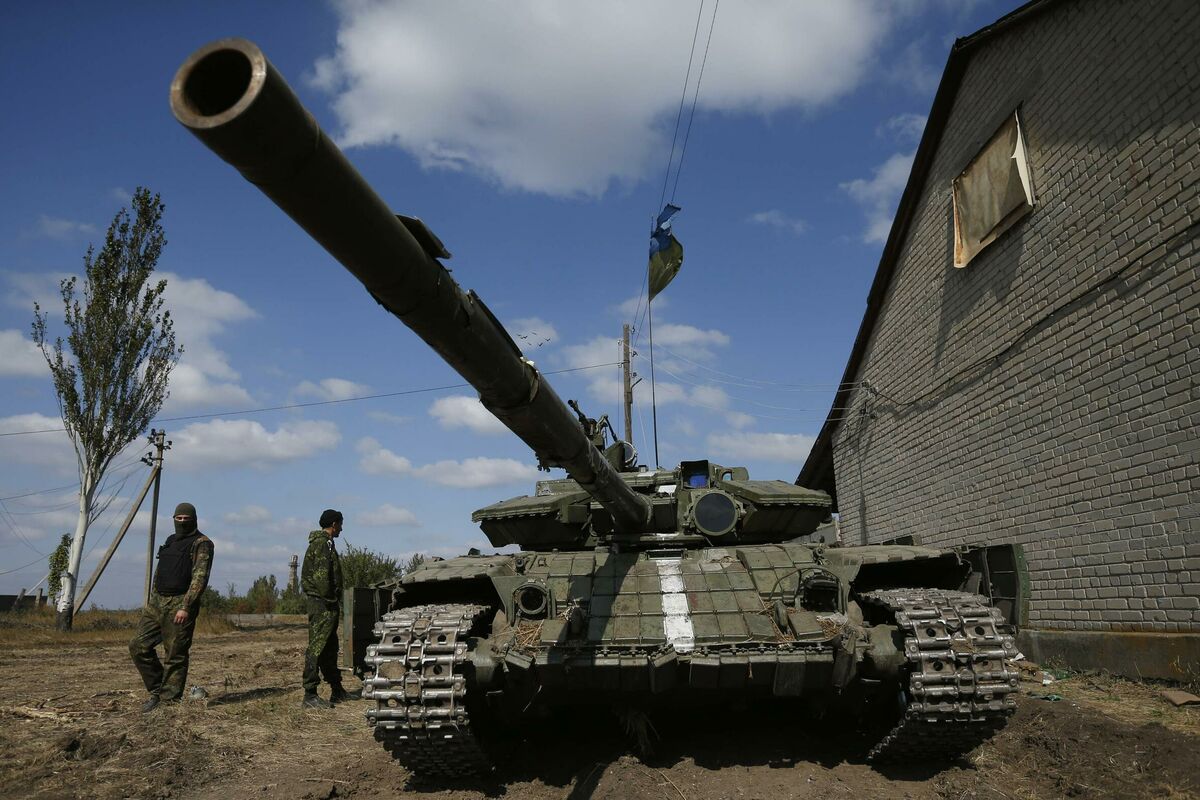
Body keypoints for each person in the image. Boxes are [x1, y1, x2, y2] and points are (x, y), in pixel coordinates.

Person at [129, 502, 214, 713]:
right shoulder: (170, 541)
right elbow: (159, 571)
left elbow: (200, 577)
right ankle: (158, 690)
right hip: (157, 602)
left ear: (194, 519)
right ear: (174, 519)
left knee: (175, 654)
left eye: (186, 519)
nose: (182, 522)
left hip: (180, 603)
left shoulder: (202, 543)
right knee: (138, 646)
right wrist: (152, 598)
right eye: (179, 518)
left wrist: (186, 606)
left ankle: (168, 703)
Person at [300, 509, 355, 708]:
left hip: (325, 603)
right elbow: (322, 577)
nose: (341, 528)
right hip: (322, 604)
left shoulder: (325, 544)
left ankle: (337, 690)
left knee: (330, 648)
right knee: (317, 647)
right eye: (340, 524)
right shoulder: (322, 544)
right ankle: (310, 694)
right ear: (334, 524)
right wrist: (331, 600)